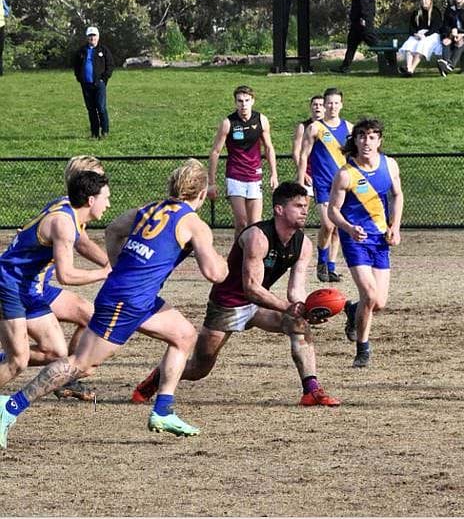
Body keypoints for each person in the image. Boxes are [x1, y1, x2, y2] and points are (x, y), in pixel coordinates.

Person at [0, 159, 229, 447]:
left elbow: (114, 230)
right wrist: (225, 264)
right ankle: (9, 408)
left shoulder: (150, 208)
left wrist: (120, 266)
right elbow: (213, 273)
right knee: (80, 364)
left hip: (137, 297)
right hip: (128, 301)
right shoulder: (195, 224)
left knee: (184, 335)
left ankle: (162, 410)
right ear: (202, 192)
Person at [130, 181, 341, 407]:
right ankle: (156, 379)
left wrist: (305, 310)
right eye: (298, 205)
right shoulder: (257, 237)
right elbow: (251, 288)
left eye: (306, 205)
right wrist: (288, 307)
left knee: (299, 324)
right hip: (227, 305)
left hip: (259, 306)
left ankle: (311, 391)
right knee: (199, 368)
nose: (305, 210)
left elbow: (295, 291)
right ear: (279, 209)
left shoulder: (303, 244)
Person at [2, 156, 113, 401]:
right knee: (18, 360)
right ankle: (13, 357)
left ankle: (65, 377)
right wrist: (104, 272)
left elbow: (82, 243)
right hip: (14, 284)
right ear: (87, 189)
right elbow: (66, 274)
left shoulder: (69, 211)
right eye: (98, 179)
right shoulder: (63, 219)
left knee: (67, 340)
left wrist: (111, 263)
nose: (103, 183)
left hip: (34, 285)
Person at [329, 119, 404, 368]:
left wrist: (395, 226)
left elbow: (397, 195)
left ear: (379, 140)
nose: (366, 142)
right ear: (355, 140)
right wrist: (349, 228)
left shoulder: (390, 165)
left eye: (372, 137)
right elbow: (333, 211)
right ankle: (363, 349)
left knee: (378, 303)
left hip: (380, 240)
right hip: (356, 241)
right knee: (369, 295)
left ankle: (353, 311)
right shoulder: (345, 174)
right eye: (361, 136)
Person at [207, 85, 280, 243]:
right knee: (241, 223)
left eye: (247, 100)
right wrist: (211, 182)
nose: (243, 104)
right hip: (235, 176)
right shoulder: (228, 123)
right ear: (235, 103)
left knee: (255, 224)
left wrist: (274, 173)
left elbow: (268, 147)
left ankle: (251, 257)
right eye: (240, 101)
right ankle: (237, 258)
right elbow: (215, 152)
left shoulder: (261, 120)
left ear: (253, 101)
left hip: (255, 175)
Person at [296, 88, 350, 283]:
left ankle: (331, 266)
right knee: (327, 224)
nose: (332, 106)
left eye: (336, 103)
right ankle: (321, 260)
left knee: (337, 227)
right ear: (324, 105)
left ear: (341, 105)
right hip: (323, 183)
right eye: (329, 103)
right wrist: (301, 180)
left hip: (342, 185)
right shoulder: (315, 128)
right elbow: (303, 155)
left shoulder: (349, 128)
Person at [336, 0, 377, 74]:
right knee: (352, 44)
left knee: (374, 43)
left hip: (362, 20)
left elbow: (364, 2)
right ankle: (344, 67)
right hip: (357, 21)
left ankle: (389, 62)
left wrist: (364, 17)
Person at [72, 26, 113, 139]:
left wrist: (103, 79)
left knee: (101, 107)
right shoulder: (82, 51)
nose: (92, 38)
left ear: (98, 37)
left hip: (99, 84)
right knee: (91, 109)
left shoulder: (103, 50)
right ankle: (94, 133)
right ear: (87, 37)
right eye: (90, 36)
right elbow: (76, 65)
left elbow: (110, 65)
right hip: (86, 84)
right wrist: (79, 78)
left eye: (94, 36)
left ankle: (105, 132)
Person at [397, 0, 444, 76]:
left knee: (422, 45)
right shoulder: (416, 12)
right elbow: (411, 27)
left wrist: (425, 35)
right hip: (418, 34)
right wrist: (416, 34)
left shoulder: (435, 11)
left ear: (430, 0)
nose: (423, 1)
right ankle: (408, 68)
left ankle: (411, 69)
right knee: (410, 44)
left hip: (432, 35)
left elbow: (436, 27)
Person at [291, 95, 326, 194]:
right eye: (315, 105)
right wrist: (303, 173)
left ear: (325, 108)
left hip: (325, 174)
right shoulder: (303, 126)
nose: (318, 107)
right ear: (310, 107)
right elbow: (296, 152)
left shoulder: (329, 127)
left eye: (321, 105)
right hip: (309, 172)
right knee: (303, 205)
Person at [0, 0, 9, 76]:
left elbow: (6, 10)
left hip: (1, 26)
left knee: (0, 49)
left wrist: (5, 14)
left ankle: (0, 72)